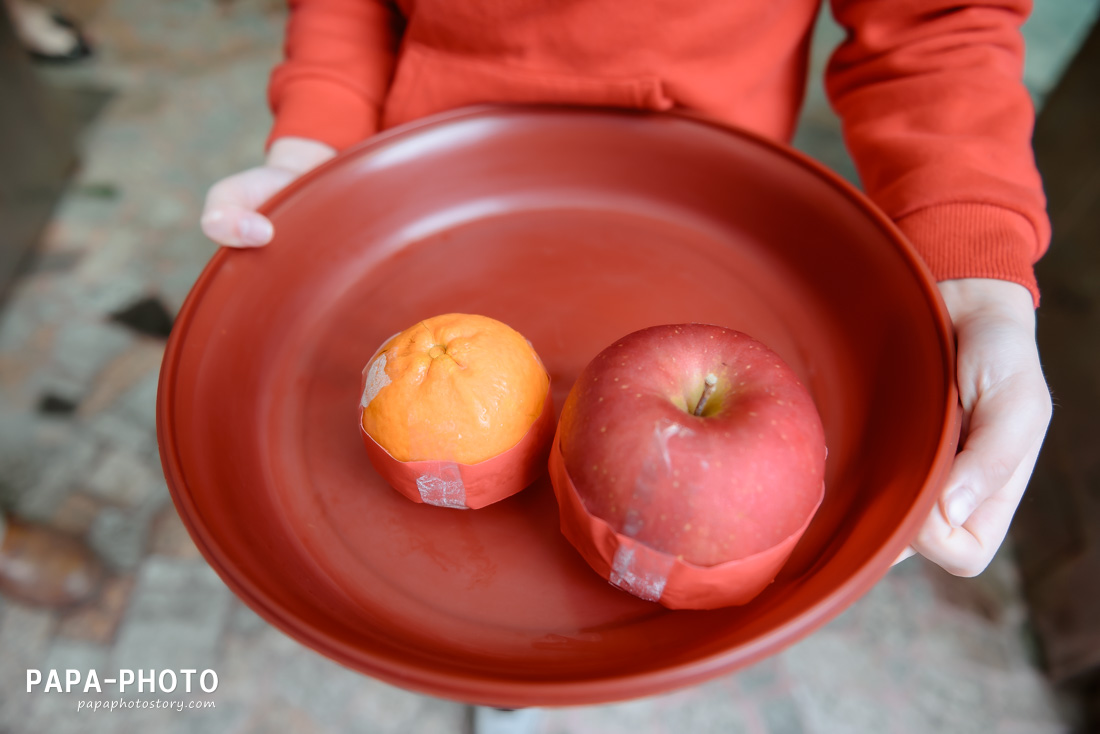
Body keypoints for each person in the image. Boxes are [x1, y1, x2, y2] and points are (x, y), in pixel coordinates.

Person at [201, 0, 1052, 581]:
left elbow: (939, 23)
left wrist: (973, 260)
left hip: (696, 209)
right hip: (425, 191)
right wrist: (318, 131)